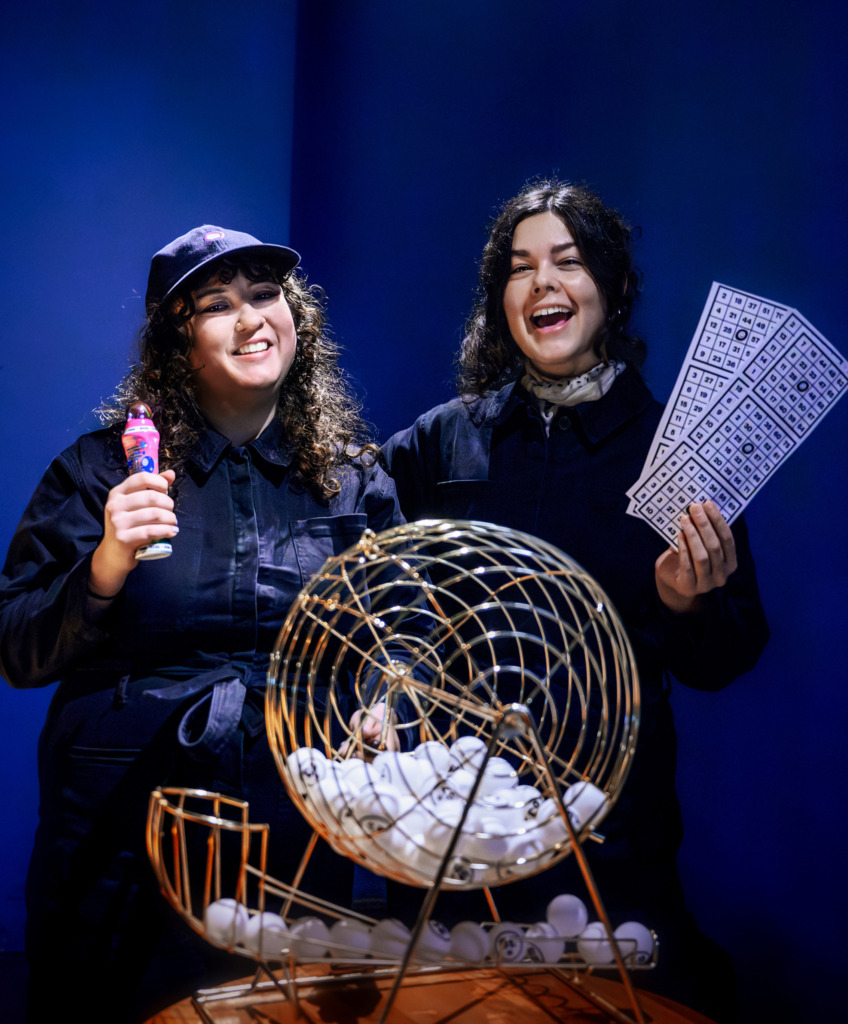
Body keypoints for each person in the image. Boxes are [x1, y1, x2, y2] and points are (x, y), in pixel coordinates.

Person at [382, 180, 769, 1021]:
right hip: (453, 829)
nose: (543, 284)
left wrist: (687, 604)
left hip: (615, 829)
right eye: (520, 268)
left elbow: (731, 652)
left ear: (612, 286)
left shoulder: (678, 450)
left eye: (568, 261)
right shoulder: (443, 438)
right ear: (500, 299)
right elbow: (367, 569)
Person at [0, 225, 403, 1022]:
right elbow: (16, 646)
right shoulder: (100, 471)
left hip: (294, 839)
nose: (251, 318)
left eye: (264, 295)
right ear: (176, 347)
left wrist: (390, 701)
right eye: (216, 306)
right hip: (122, 836)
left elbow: (404, 632)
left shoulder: (355, 479)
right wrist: (107, 562)